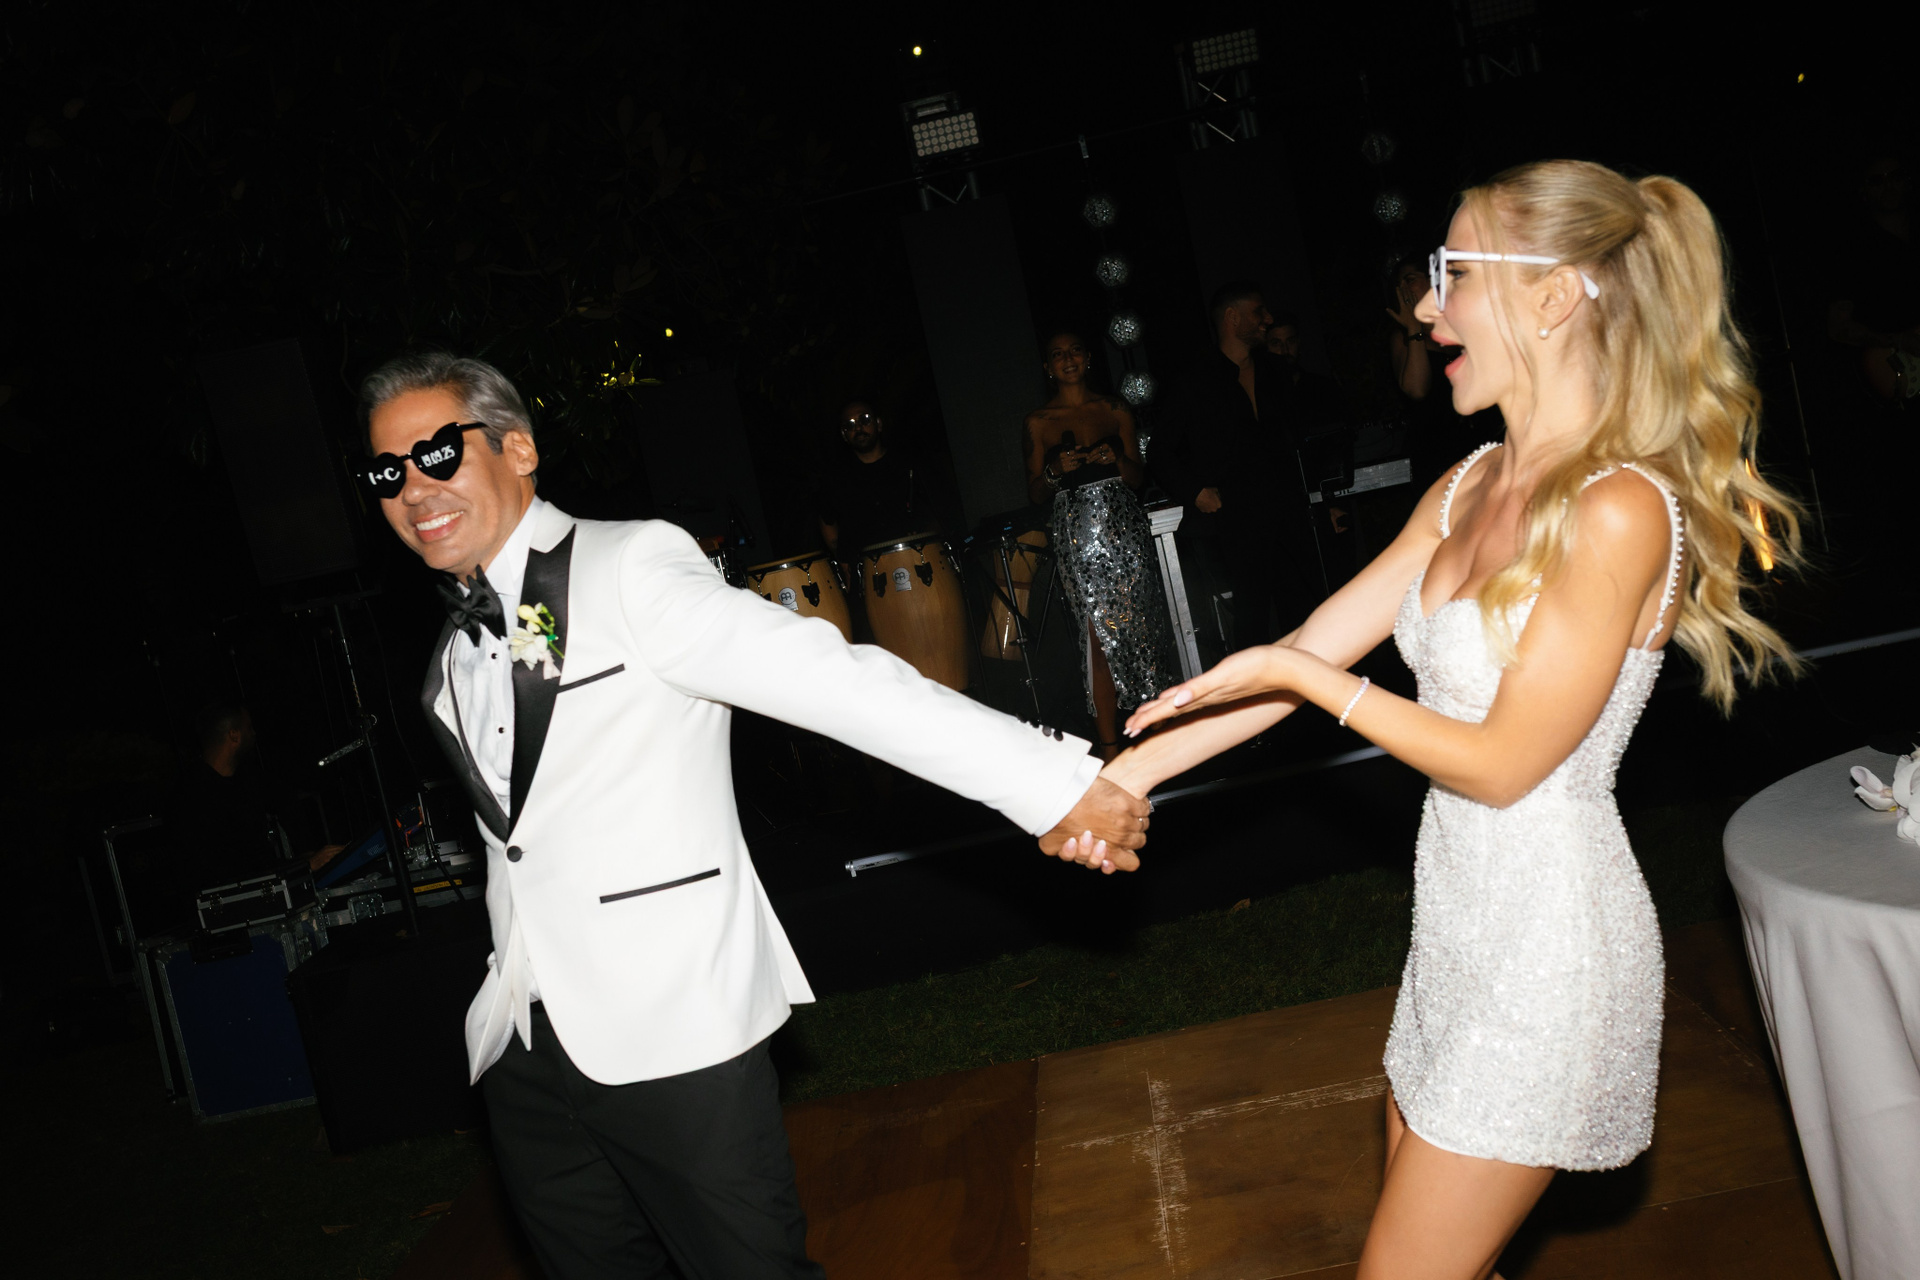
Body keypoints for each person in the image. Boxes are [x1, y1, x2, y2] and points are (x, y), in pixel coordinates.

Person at [1090, 160, 1803, 1278]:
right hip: (1456, 933)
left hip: (1550, 948)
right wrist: (1123, 779)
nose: (1427, 309)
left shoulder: (1620, 508)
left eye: (1454, 273)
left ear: (1553, 294)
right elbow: (1310, 648)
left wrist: (1316, 683)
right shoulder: (1468, 484)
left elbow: (1504, 764)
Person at [355, 352, 1149, 1280]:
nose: (413, 488)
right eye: (387, 472)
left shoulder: (628, 565)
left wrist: (1047, 786)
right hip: (525, 1049)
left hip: (674, 1025)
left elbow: (831, 681)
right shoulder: (455, 647)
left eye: (437, 453)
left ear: (518, 449)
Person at [1022, 331, 1176, 759]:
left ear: (1088, 358)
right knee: (1097, 637)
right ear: (1048, 367)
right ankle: (1110, 749)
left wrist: (1117, 460)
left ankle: (1163, 738)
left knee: (1143, 628)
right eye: (1058, 354)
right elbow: (1034, 492)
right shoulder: (1038, 421)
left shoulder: (1114, 408)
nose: (1068, 359)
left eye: (1075, 350)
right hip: (1076, 533)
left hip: (1124, 528)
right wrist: (1054, 471)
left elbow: (1137, 477)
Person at [1153, 281, 1323, 651]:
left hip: (1289, 512)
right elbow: (1160, 451)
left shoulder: (1276, 371)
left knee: (1305, 614)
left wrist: (1324, 496)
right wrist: (1195, 491)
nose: (1268, 319)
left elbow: (1301, 438)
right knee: (1252, 622)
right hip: (1236, 521)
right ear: (1232, 318)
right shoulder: (1195, 380)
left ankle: (1311, 684)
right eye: (1258, 311)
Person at [165, 700, 344, 917]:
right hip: (232, 909)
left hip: (262, 890)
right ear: (234, 735)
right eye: (249, 727)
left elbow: (284, 799)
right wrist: (304, 866)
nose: (254, 733)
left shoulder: (247, 779)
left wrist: (307, 856)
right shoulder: (191, 797)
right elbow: (230, 871)